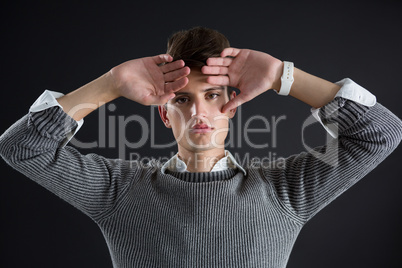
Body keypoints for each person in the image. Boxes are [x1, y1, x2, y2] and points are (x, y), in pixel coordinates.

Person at [0, 26, 401, 267]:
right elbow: (21, 147)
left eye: (212, 96)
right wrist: (110, 85)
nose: (199, 113)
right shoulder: (118, 191)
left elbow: (380, 133)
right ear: (164, 113)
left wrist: (285, 76)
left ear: (234, 107)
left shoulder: (284, 191)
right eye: (182, 100)